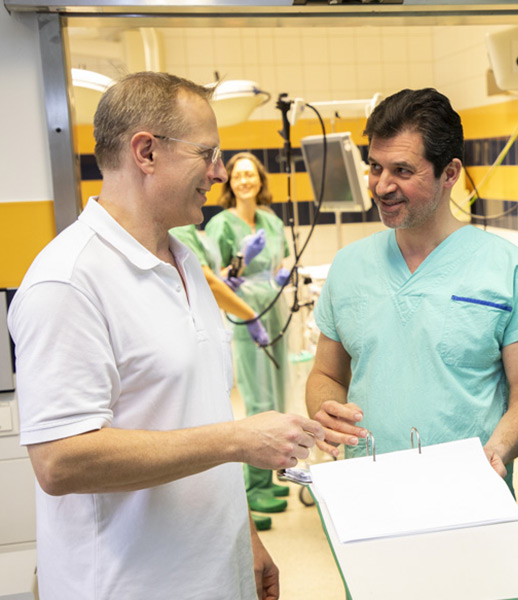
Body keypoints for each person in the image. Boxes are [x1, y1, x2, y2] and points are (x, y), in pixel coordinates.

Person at [7, 71, 324, 600]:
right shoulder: (68, 280)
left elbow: (201, 415)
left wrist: (241, 535)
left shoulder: (182, 262)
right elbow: (60, 461)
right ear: (146, 152)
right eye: (207, 154)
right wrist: (240, 440)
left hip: (214, 573)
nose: (219, 172)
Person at [305, 88, 518, 488]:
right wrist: (326, 410)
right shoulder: (350, 266)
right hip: (366, 490)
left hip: (467, 492)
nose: (381, 186)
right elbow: (326, 372)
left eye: (402, 171)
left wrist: (496, 451)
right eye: (375, 167)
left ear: (450, 173)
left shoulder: (508, 271)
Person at [170, 222, 276, 530]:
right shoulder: (185, 232)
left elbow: (215, 279)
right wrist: (250, 314)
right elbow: (209, 282)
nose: (218, 174)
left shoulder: (188, 234)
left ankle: (253, 492)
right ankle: (255, 486)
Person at [205, 152, 292, 515]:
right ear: (230, 181)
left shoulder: (270, 220)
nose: (244, 180)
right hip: (245, 313)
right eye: (238, 174)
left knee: (278, 390)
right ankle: (254, 486)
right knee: (256, 397)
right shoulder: (221, 225)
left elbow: (284, 256)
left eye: (250, 174)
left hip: (273, 308)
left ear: (259, 180)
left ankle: (271, 476)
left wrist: (284, 273)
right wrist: (240, 259)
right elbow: (214, 276)